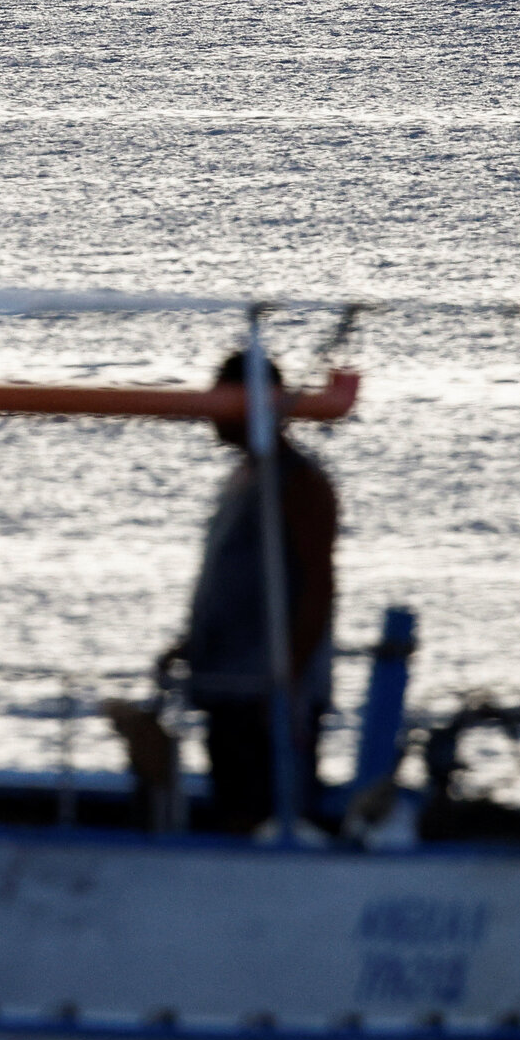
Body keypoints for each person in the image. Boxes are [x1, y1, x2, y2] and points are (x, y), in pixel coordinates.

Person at [173, 349, 338, 832]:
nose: (209, 412)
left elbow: (317, 587)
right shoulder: (243, 478)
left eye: (221, 401)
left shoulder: (300, 482)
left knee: (264, 814)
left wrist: (288, 679)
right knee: (232, 807)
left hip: (266, 694)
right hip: (228, 684)